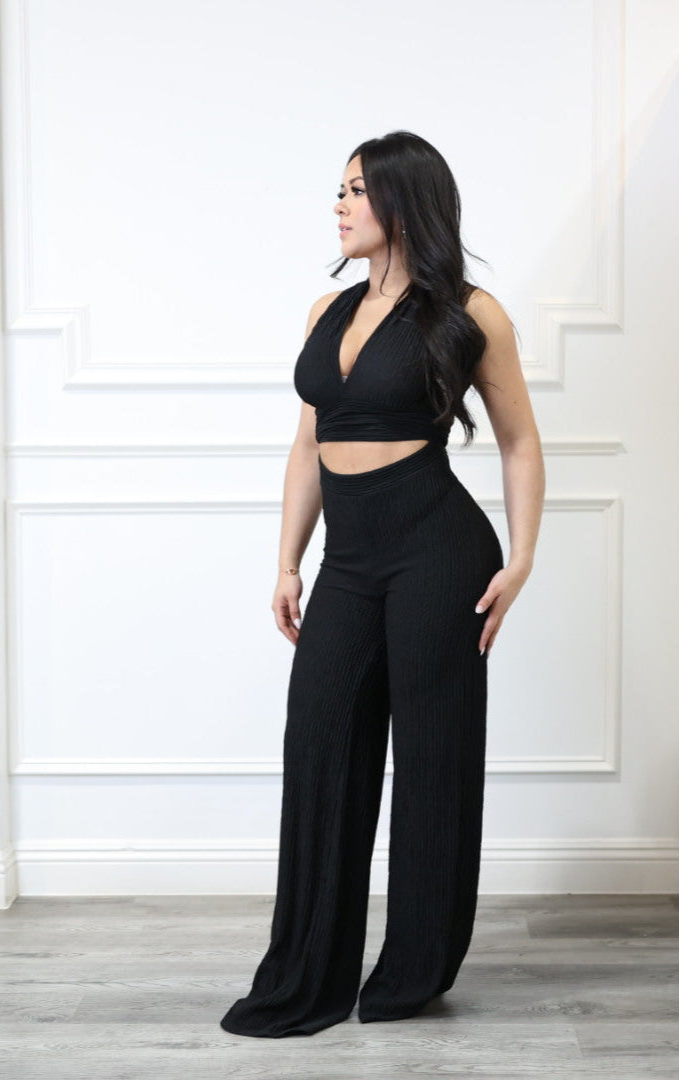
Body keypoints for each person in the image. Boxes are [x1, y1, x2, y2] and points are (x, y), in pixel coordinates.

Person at [220, 130, 545, 1039]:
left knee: (434, 759)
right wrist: (288, 561)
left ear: (404, 200)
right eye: (341, 189)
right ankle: (308, 968)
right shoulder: (327, 311)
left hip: (439, 550)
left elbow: (520, 441)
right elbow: (308, 446)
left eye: (357, 189)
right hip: (351, 559)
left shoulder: (470, 313)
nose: (340, 204)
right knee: (321, 743)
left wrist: (521, 559)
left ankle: (413, 971)